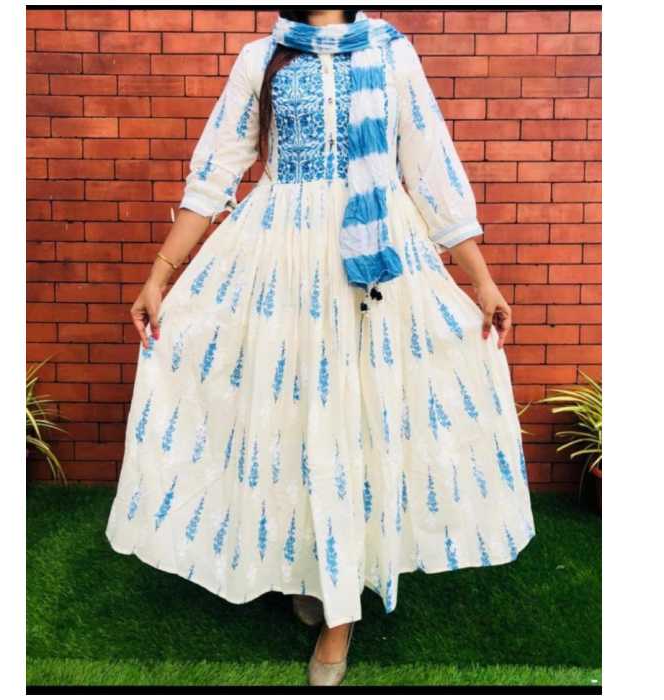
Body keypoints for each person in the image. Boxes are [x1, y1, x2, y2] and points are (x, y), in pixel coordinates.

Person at [104, 8, 536, 686]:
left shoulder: (392, 55)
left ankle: (341, 614)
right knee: (294, 424)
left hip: (375, 264)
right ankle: (316, 568)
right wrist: (160, 275)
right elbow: (215, 172)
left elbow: (431, 169)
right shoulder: (263, 58)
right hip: (282, 259)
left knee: (355, 426)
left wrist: (480, 281)